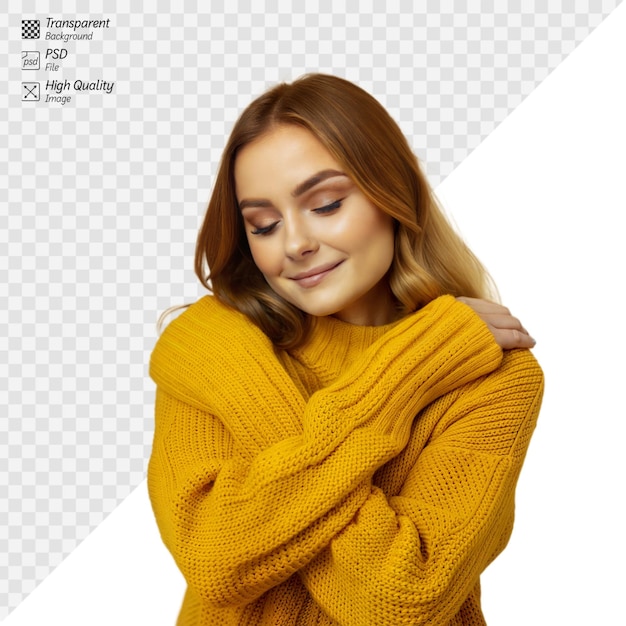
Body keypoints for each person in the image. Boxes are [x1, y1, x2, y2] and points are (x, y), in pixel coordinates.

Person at [147, 73, 544, 626]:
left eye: (327, 204)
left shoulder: (493, 375)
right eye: (263, 225)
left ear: (393, 193)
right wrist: (411, 369)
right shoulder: (210, 343)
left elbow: (404, 597)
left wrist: (422, 363)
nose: (295, 244)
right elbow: (215, 562)